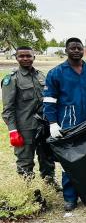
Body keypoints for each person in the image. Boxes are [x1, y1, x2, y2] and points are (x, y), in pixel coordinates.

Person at [43, 38, 86, 211]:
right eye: (72, 48)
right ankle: (70, 198)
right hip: (68, 124)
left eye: (79, 48)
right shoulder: (56, 73)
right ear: (66, 50)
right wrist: (52, 123)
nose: (76, 51)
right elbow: (49, 100)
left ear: (83, 50)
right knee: (70, 161)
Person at [2, 46, 56, 183]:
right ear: (16, 58)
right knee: (25, 161)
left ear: (34, 57)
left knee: (46, 157)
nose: (25, 58)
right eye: (22, 56)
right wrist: (13, 131)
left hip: (43, 125)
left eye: (28, 56)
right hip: (25, 127)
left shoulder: (41, 76)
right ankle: (28, 189)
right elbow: (8, 108)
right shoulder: (11, 79)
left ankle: (49, 183)